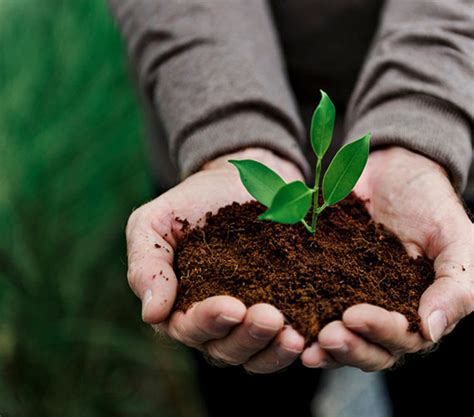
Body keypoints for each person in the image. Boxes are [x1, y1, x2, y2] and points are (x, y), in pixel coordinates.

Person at [109, 1, 474, 416]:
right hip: (202, 119)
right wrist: (228, 129)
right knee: (252, 390)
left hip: (449, 129)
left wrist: (423, 125)